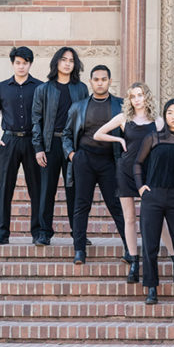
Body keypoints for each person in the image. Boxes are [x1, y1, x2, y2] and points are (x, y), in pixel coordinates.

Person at [94, 81, 174, 284]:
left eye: (140, 95)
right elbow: (98, 134)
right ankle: (134, 262)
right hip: (126, 171)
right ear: (129, 99)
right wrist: (119, 140)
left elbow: (168, 146)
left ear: (147, 97)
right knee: (129, 219)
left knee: (160, 219)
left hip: (150, 173)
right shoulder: (124, 118)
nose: (137, 99)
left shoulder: (157, 121)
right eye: (133, 96)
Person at [62, 64, 128, 265]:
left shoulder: (121, 105)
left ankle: (129, 249)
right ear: (91, 82)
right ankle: (79, 250)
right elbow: (66, 134)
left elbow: (131, 133)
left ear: (109, 81)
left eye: (104, 79)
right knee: (81, 206)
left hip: (110, 162)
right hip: (85, 160)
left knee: (116, 206)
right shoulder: (78, 107)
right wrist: (73, 155)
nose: (100, 82)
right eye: (96, 79)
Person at [134, 98, 174, 305]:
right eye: (170, 112)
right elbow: (137, 163)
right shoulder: (154, 138)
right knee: (150, 244)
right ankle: (152, 288)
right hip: (153, 197)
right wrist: (141, 187)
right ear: (165, 116)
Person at [0, 46, 43, 245]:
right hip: (8, 142)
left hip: (31, 142)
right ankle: (2, 233)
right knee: (6, 189)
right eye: (18, 63)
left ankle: (38, 233)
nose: (21, 66)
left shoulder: (39, 87)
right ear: (13, 64)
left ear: (30, 64)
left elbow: (44, 118)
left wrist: (41, 144)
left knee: (36, 188)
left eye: (25, 63)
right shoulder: (1, 88)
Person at [31, 47, 88, 245]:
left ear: (75, 65)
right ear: (56, 62)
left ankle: (78, 233)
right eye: (63, 59)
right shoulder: (43, 89)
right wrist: (38, 148)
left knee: (75, 190)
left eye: (71, 60)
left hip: (72, 146)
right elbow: (36, 121)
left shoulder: (81, 89)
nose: (67, 63)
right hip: (50, 145)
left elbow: (85, 119)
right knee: (47, 190)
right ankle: (44, 233)